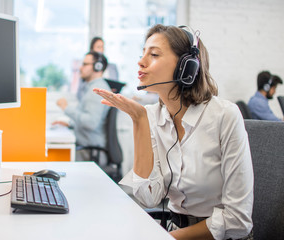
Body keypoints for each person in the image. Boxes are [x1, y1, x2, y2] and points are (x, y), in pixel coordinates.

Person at [94, 25, 253, 240]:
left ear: (186, 67)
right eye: (142, 53)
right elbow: (149, 199)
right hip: (172, 231)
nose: (141, 62)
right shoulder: (150, 115)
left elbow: (238, 220)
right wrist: (139, 120)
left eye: (154, 54)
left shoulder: (224, 116)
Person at [53, 51, 111, 161]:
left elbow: (90, 123)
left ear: (97, 67)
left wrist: (66, 108)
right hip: (86, 148)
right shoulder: (92, 88)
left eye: (85, 64)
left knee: (55, 159)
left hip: (89, 152)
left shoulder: (97, 90)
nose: (80, 68)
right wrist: (70, 124)